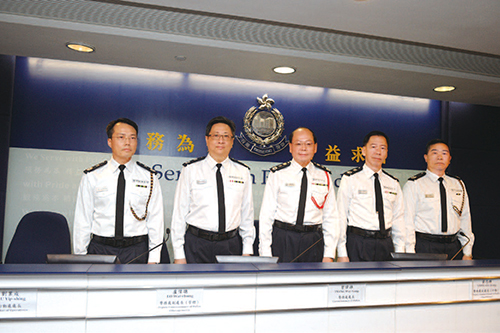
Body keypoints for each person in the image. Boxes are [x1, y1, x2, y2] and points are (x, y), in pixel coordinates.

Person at [73, 118, 164, 264]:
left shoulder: (149, 177)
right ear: (110, 141)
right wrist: (80, 257)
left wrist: (154, 258)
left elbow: (155, 220)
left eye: (132, 138)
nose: (127, 142)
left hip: (137, 250)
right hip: (101, 249)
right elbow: (82, 220)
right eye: (121, 137)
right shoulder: (93, 176)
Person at [171, 116, 255, 263]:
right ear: (207, 139)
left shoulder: (243, 172)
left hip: (231, 245)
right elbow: (179, 214)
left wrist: (247, 250)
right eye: (216, 136)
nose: (221, 140)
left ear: (232, 141)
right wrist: (179, 254)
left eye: (225, 136)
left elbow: (247, 213)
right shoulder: (191, 170)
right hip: (197, 244)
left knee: (228, 286)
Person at [259, 128, 339, 263]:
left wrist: (329, 253)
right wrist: (265, 252)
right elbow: (266, 215)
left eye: (308, 144)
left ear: (315, 148)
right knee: (282, 282)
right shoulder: (278, 174)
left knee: (312, 283)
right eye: (298, 144)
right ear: (290, 147)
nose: (303, 148)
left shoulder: (324, 175)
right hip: (284, 238)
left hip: (313, 240)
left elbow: (331, 217)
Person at [337, 131, 405, 262]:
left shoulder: (393, 183)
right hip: (358, 242)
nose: (378, 152)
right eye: (373, 147)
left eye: (383, 148)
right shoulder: (350, 179)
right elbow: (341, 216)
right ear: (363, 151)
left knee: (385, 282)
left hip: (386, 244)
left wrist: (400, 251)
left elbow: (398, 219)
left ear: (386, 153)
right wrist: (341, 252)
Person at [403, 139, 474, 260]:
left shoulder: (458, 184)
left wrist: (467, 252)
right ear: (426, 157)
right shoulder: (414, 184)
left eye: (444, 153)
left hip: (453, 247)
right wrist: (409, 253)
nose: (440, 157)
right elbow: (407, 222)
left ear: (450, 158)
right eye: (435, 153)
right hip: (425, 246)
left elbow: (465, 219)